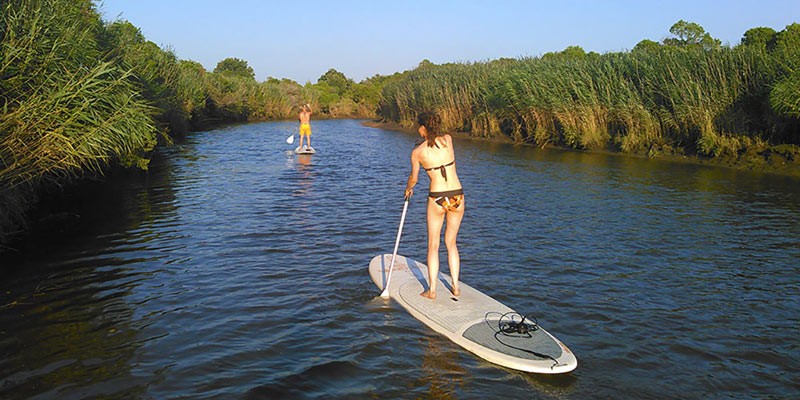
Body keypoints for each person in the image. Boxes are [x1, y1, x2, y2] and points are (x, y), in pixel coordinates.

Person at [404, 111, 465, 299]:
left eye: (419, 127)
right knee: (451, 243)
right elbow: (437, 144)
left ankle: (431, 290)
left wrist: (408, 189)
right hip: (457, 196)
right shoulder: (448, 139)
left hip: (437, 198)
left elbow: (414, 178)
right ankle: (455, 286)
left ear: (423, 127)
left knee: (433, 244)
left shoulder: (417, 152)